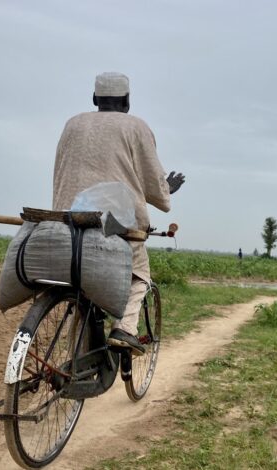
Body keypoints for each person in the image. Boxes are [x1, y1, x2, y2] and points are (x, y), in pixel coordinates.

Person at [52, 72, 185, 354]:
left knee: (79, 283)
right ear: (127, 101)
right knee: (139, 275)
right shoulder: (136, 127)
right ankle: (124, 329)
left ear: (94, 99)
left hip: (69, 220)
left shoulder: (72, 124)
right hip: (114, 223)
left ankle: (77, 351)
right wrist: (165, 190)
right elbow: (150, 178)